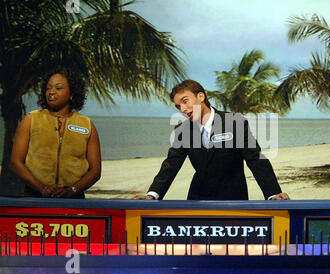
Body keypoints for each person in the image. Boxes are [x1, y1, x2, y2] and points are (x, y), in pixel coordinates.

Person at [133, 80, 289, 201]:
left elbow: (255, 159)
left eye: (185, 101)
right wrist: (152, 195)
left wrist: (273, 193)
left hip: (234, 199)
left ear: (201, 96)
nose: (182, 109)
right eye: (178, 106)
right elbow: (171, 164)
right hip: (197, 199)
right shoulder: (182, 130)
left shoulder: (234, 122)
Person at [10, 67, 101, 198]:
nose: (51, 92)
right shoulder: (31, 120)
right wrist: (42, 189)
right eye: (48, 88)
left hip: (74, 199)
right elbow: (16, 162)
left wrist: (72, 190)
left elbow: (95, 171)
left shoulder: (87, 125)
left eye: (58, 88)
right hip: (35, 196)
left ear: (71, 94)